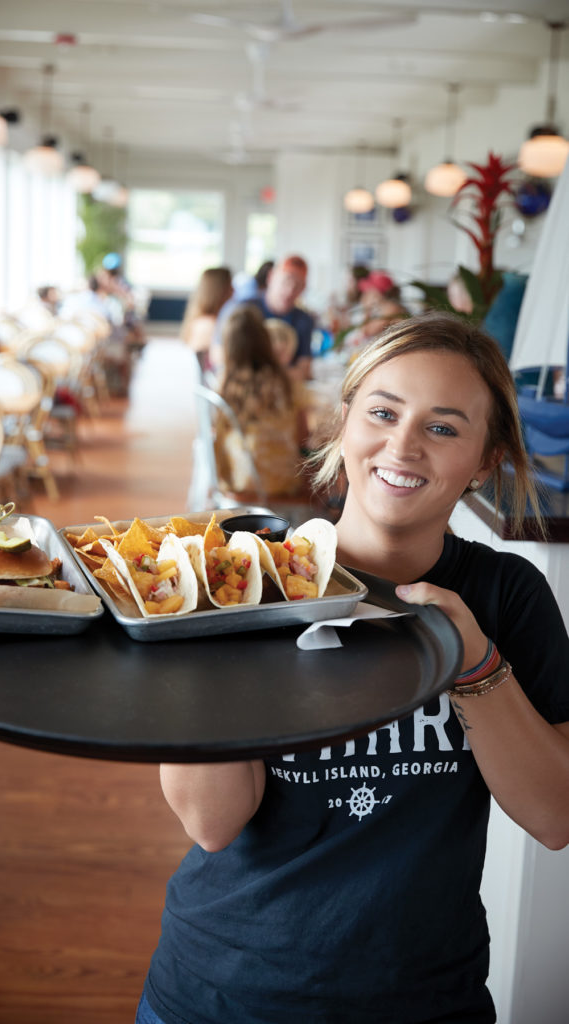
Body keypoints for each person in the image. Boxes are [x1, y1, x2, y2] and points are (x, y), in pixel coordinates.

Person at [137, 311, 569, 1024]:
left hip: (423, 997)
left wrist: (472, 661)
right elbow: (212, 823)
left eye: (443, 426)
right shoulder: (248, 582)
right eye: (382, 412)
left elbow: (554, 817)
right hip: (222, 990)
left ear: (484, 460)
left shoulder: (504, 595)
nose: (402, 446)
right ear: (343, 424)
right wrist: (217, 641)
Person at [213, 306, 309, 500]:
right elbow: (302, 436)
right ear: (265, 340)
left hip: (236, 482)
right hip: (281, 482)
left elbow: (216, 432)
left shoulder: (225, 383)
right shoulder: (286, 381)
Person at [215, 254, 315, 381]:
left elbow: (304, 369)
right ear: (271, 277)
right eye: (286, 281)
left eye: (298, 285)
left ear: (303, 288)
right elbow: (218, 354)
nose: (290, 290)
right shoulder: (241, 309)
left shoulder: (304, 320)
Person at [180, 266, 233, 374]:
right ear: (220, 290)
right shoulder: (210, 325)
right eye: (230, 285)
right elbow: (224, 362)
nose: (234, 290)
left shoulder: (201, 319)